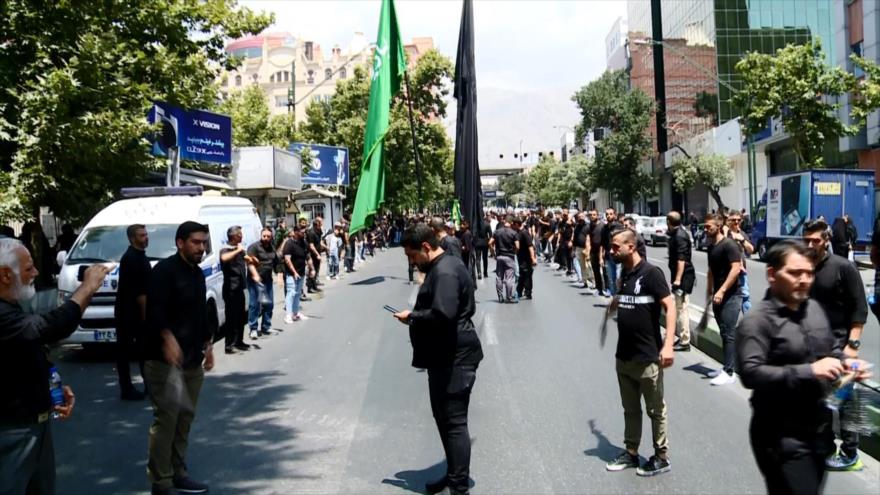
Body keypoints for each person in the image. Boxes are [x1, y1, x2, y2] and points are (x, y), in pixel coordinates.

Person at [737, 240, 871, 495]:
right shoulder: (757, 321)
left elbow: (830, 350)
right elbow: (750, 373)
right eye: (795, 273)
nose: (804, 280)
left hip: (819, 432)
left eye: (809, 273)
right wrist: (810, 371)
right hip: (780, 436)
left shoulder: (814, 309)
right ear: (772, 274)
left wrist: (848, 364)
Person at [0, 238, 110, 495]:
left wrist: (53, 385)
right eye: (29, 269)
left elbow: (30, 349)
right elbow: (50, 328)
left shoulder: (11, 307)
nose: (36, 273)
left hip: (34, 426)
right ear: (6, 274)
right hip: (12, 431)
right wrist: (87, 287)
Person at [392, 223, 483, 495]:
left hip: (456, 357)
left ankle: (458, 486)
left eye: (412, 255)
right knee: (443, 418)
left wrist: (412, 316)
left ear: (427, 247)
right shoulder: (445, 266)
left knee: (454, 422)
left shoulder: (444, 271)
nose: (411, 261)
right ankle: (453, 474)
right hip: (444, 356)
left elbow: (444, 314)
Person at [142, 221, 215, 495]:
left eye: (204, 242)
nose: (201, 247)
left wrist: (208, 344)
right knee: (167, 420)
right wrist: (167, 338)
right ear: (180, 243)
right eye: (196, 242)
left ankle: (178, 471)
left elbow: (199, 313)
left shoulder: (197, 273)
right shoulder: (163, 272)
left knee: (185, 418)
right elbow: (155, 312)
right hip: (165, 363)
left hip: (192, 361)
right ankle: (161, 482)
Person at [604, 229, 676, 477]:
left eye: (615, 247)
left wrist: (667, 345)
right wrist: (615, 303)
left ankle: (661, 456)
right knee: (630, 409)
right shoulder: (625, 274)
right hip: (624, 356)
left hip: (647, 357)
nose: (612, 251)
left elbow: (670, 304)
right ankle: (632, 453)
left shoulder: (651, 273)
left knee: (655, 410)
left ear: (631, 247)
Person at [802, 220, 868, 471]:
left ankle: (851, 454)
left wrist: (852, 344)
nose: (810, 245)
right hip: (813, 347)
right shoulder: (804, 267)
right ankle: (826, 446)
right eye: (806, 240)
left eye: (815, 240)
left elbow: (860, 309)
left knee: (847, 401)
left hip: (841, 346)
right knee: (821, 402)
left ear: (826, 240)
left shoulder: (843, 267)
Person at [705, 213, 743, 386]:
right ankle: (726, 366)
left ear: (718, 226)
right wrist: (710, 292)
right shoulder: (711, 246)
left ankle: (729, 372)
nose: (706, 229)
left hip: (732, 295)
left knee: (729, 333)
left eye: (709, 227)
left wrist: (721, 290)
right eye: (704, 227)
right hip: (718, 296)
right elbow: (711, 271)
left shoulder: (729, 245)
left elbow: (736, 269)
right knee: (723, 332)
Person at [114, 224, 150, 399]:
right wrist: (146, 317)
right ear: (132, 238)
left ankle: (148, 384)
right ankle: (127, 389)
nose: (146, 237)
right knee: (127, 351)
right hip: (128, 313)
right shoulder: (132, 258)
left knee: (143, 350)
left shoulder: (140, 256)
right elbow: (140, 293)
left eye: (146, 234)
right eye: (141, 235)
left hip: (132, 311)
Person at [665, 212, 695, 352]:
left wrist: (677, 280)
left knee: (682, 308)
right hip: (681, 276)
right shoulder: (677, 234)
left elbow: (681, 260)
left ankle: (684, 341)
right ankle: (682, 338)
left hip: (683, 278)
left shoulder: (679, 236)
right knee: (679, 307)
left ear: (669, 222)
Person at [219, 226, 251, 354]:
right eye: (240, 234)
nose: (242, 236)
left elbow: (247, 260)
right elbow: (224, 259)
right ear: (234, 236)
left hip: (240, 288)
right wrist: (238, 250)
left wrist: (252, 260)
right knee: (231, 317)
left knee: (241, 316)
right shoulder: (225, 250)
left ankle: (239, 341)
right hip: (230, 289)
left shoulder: (239, 250)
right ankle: (229, 345)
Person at [247, 228, 280, 340]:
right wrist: (255, 275)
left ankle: (266, 326)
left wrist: (280, 275)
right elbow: (249, 263)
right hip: (254, 281)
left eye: (268, 236)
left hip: (267, 280)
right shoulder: (254, 247)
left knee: (269, 304)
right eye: (264, 236)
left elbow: (276, 263)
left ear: (271, 237)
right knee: (254, 305)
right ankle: (253, 329)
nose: (266, 238)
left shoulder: (272, 248)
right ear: (261, 236)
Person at [727, 210, 754, 314]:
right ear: (729, 220)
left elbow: (751, 250)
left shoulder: (742, 234)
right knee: (729, 299)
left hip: (741, 273)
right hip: (727, 272)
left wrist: (742, 240)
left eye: (739, 220)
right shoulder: (725, 234)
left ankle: (749, 326)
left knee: (745, 298)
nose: (736, 222)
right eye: (733, 220)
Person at [283, 226, 311, 324]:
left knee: (298, 293)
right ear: (295, 232)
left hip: (301, 273)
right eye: (302, 232)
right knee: (291, 293)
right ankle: (288, 315)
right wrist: (294, 272)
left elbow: (307, 255)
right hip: (291, 274)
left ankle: (295, 313)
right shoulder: (289, 244)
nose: (304, 234)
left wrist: (312, 268)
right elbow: (287, 260)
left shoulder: (303, 243)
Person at [489, 216, 519, 303]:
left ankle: (500, 296)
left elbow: (490, 243)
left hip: (500, 256)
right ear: (511, 222)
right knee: (509, 278)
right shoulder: (514, 233)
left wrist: (494, 254)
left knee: (499, 277)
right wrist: (515, 253)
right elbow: (517, 246)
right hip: (509, 256)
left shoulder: (497, 232)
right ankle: (509, 297)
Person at [513, 217, 537, 300]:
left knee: (527, 275)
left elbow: (530, 246)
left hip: (526, 259)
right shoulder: (519, 232)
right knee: (522, 275)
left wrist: (533, 258)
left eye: (513, 224)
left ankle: (528, 292)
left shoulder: (524, 233)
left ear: (516, 224)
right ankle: (519, 292)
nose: (513, 226)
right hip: (521, 258)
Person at [600, 208, 622, 296]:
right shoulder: (604, 228)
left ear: (614, 215)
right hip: (608, 257)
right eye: (607, 214)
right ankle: (613, 298)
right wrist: (601, 257)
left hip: (618, 257)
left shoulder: (619, 227)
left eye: (611, 214)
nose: (609, 216)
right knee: (611, 279)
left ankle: (620, 298)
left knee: (618, 278)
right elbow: (602, 244)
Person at [588, 209, 606, 296]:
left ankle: (607, 289)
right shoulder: (590, 226)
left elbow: (606, 240)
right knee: (596, 271)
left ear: (597, 215)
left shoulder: (603, 226)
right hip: (593, 252)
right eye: (591, 215)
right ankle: (599, 289)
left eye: (594, 215)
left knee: (605, 271)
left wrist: (603, 252)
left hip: (601, 252)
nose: (592, 216)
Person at [306, 218, 326, 292]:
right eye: (321, 223)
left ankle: (314, 286)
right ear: (317, 223)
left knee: (316, 270)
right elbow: (311, 246)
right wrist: (317, 254)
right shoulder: (311, 232)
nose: (322, 224)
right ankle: (310, 287)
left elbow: (319, 242)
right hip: (312, 254)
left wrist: (326, 248)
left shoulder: (319, 231)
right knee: (312, 270)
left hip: (317, 253)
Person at [473, 215, 491, 280]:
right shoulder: (487, 224)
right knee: (485, 258)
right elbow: (490, 234)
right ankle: (485, 273)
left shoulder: (476, 225)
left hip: (477, 243)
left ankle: (479, 273)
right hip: (485, 243)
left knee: (478, 259)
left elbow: (473, 234)